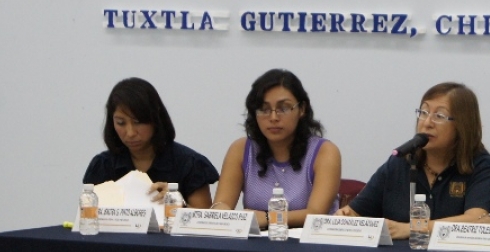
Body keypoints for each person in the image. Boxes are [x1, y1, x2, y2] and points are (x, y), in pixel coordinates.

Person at [338, 82, 490, 240]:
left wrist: (414, 228)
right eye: (423, 112)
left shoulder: (481, 165)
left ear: (462, 125)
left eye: (439, 116)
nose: (427, 123)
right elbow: (357, 212)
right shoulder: (400, 162)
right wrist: (346, 217)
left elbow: (480, 220)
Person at [212, 69, 341, 229]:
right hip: (256, 245)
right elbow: (222, 204)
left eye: (283, 108)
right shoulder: (241, 149)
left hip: (311, 246)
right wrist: (221, 210)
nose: (273, 117)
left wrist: (269, 218)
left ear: (302, 109)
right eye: (264, 109)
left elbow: (316, 213)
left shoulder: (325, 152)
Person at [83, 77, 219, 208]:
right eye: (121, 123)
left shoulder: (189, 164)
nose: (130, 133)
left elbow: (204, 221)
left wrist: (179, 205)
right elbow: (89, 216)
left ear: (155, 119)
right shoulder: (103, 165)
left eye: (138, 122)